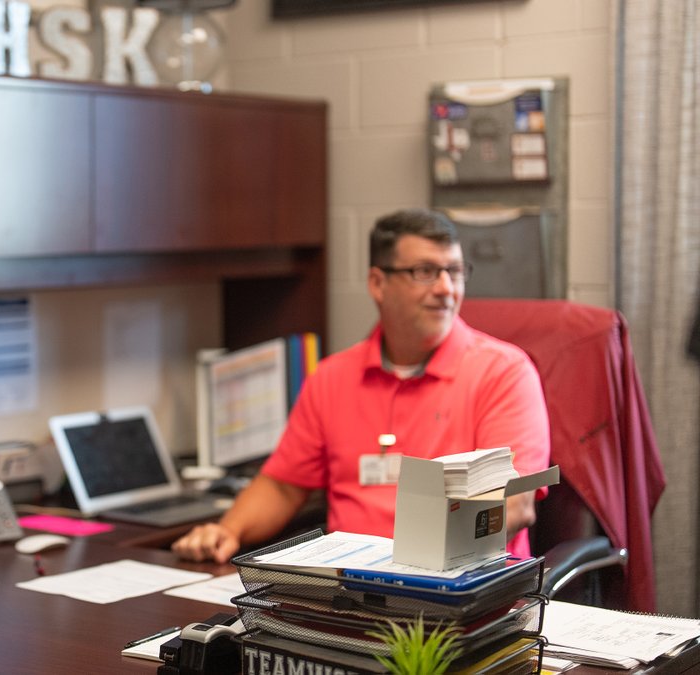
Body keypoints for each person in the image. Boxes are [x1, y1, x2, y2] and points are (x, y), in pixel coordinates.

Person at [172, 208, 551, 564]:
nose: (445, 288)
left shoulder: (504, 373)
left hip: (461, 581)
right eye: (424, 272)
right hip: (349, 586)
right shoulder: (332, 378)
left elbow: (514, 504)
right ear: (377, 283)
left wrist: (408, 568)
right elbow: (283, 486)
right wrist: (228, 530)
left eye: (454, 271)